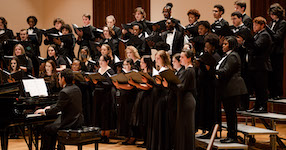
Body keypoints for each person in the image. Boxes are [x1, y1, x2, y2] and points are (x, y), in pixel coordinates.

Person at [34, 69, 84, 150]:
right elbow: (61, 104)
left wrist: (44, 111)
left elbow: (57, 108)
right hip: (77, 121)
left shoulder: (64, 92)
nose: (59, 80)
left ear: (63, 79)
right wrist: (50, 107)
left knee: (47, 129)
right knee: (51, 126)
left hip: (69, 122)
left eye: (59, 78)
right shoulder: (76, 88)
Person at [216, 36, 247, 143]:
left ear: (231, 45)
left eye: (225, 44)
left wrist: (213, 71)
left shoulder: (233, 56)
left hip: (233, 89)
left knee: (231, 114)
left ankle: (232, 136)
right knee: (229, 114)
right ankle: (230, 135)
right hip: (228, 89)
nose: (223, 46)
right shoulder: (227, 56)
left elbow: (226, 71)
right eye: (223, 44)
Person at [196, 33, 221, 138]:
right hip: (204, 87)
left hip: (211, 88)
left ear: (214, 47)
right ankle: (207, 129)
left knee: (212, 110)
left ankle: (212, 131)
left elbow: (211, 73)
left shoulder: (215, 56)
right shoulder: (206, 55)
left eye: (208, 47)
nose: (206, 48)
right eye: (205, 46)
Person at [172, 49, 196, 150]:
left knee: (187, 126)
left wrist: (169, 84)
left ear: (189, 59)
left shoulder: (189, 70)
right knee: (183, 126)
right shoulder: (187, 70)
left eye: (182, 57)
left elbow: (182, 87)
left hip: (187, 100)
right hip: (184, 99)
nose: (180, 59)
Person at [248, 17, 272, 113]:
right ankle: (257, 106)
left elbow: (257, 47)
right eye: (253, 25)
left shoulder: (264, 35)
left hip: (261, 66)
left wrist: (248, 40)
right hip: (256, 66)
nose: (254, 27)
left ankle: (263, 106)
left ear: (262, 25)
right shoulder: (257, 35)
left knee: (261, 88)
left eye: (256, 25)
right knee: (257, 88)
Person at [90, 54, 116, 143]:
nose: (100, 62)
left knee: (105, 115)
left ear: (107, 61)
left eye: (102, 61)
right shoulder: (98, 70)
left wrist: (99, 82)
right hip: (98, 95)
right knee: (98, 114)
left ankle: (106, 135)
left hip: (106, 95)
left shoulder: (110, 71)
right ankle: (100, 134)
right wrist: (94, 82)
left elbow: (110, 84)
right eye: (100, 61)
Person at [267, 3, 286, 100]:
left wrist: (267, 29)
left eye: (273, 13)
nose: (271, 15)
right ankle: (272, 92)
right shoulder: (271, 23)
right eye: (270, 13)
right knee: (270, 73)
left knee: (277, 73)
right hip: (270, 51)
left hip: (277, 52)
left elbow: (277, 37)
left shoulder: (282, 23)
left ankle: (278, 93)